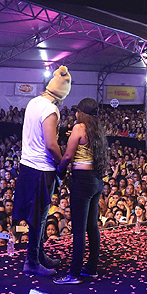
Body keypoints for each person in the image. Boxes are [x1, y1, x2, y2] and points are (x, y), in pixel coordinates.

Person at [13, 65, 71, 276]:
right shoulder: (50, 109)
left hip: (27, 166)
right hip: (41, 169)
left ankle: (38, 255)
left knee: (37, 215)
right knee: (39, 217)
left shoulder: (33, 102)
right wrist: (63, 162)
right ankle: (32, 263)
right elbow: (50, 144)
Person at [54, 98, 109, 284]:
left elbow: (68, 155)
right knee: (92, 226)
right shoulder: (97, 130)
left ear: (81, 113)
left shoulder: (79, 128)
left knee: (78, 229)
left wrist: (59, 171)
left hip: (82, 181)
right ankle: (91, 268)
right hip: (96, 180)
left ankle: (74, 274)